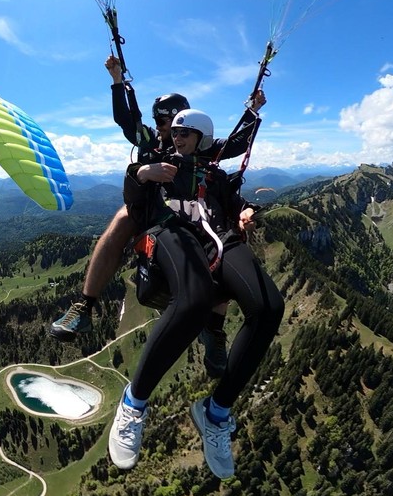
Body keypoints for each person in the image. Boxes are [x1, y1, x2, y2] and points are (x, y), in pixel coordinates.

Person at [50, 55, 263, 376]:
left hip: (192, 214)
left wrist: (252, 111)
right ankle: (84, 306)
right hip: (153, 211)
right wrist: (117, 82)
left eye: (167, 121)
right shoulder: (151, 141)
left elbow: (236, 144)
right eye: (161, 122)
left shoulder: (198, 144)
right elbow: (126, 121)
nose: (165, 128)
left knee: (223, 239)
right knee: (122, 219)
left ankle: (214, 330)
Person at [107, 108, 284, 479]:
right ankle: (133, 403)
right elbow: (134, 197)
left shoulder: (216, 176)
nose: (177, 138)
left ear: (201, 138)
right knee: (194, 300)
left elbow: (233, 201)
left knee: (269, 308)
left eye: (185, 133)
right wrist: (143, 173)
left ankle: (215, 412)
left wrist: (246, 211)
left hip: (220, 238)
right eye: (175, 133)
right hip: (170, 231)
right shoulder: (162, 164)